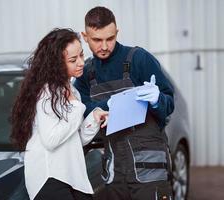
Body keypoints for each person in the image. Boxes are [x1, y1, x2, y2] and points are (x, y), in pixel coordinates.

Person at [74, 6, 174, 200]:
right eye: (97, 40)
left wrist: (157, 99)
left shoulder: (139, 59)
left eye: (110, 38)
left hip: (150, 168)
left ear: (117, 32)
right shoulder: (86, 72)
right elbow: (80, 110)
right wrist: (108, 105)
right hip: (115, 170)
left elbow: (169, 103)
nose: (104, 46)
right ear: (85, 37)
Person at [10, 28, 108, 200]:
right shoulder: (47, 92)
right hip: (50, 178)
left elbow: (75, 140)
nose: (80, 63)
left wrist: (94, 118)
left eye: (81, 56)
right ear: (57, 63)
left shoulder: (73, 92)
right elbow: (51, 140)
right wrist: (77, 108)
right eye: (73, 60)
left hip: (72, 176)